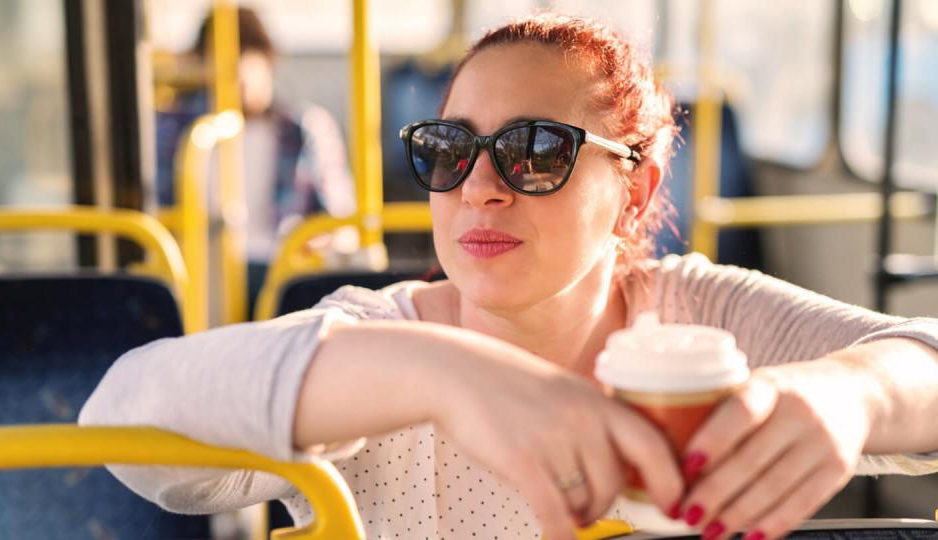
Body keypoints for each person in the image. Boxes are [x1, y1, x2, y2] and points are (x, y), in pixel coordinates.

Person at [82, 13, 938, 540]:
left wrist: (852, 393)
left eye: (536, 152)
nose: (481, 187)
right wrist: (443, 376)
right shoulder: (375, 343)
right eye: (450, 151)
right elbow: (122, 418)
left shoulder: (700, 321)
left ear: (635, 192)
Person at [155, 7, 356, 310]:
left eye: (245, 62)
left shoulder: (305, 128)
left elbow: (341, 222)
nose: (235, 80)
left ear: (267, 62)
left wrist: (323, 242)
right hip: (202, 270)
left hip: (282, 267)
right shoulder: (181, 132)